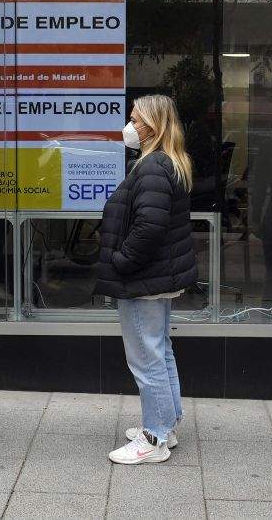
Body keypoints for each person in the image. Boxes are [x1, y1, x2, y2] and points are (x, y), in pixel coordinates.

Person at [94, 94, 197, 465]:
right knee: (160, 350)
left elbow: (148, 228)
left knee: (146, 357)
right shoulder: (169, 162)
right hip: (157, 277)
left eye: (135, 119)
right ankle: (166, 424)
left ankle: (154, 438)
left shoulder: (153, 166)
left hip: (143, 279)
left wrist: (121, 261)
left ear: (153, 125)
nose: (130, 126)